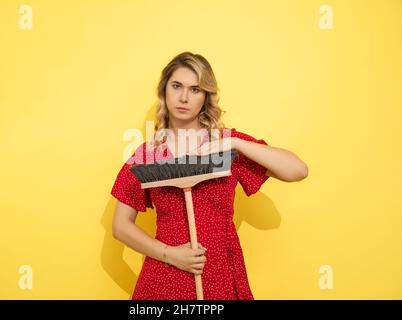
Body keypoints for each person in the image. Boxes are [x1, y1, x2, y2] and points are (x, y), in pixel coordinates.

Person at [110, 51, 308, 300]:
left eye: (195, 89)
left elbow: (298, 170)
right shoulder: (149, 154)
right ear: (164, 91)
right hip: (165, 276)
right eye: (177, 86)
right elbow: (120, 225)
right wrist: (169, 254)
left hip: (219, 274)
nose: (184, 97)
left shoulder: (226, 145)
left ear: (206, 97)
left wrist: (236, 143)